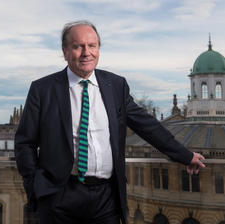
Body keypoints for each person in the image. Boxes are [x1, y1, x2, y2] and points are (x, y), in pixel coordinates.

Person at [14, 20, 205, 224]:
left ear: (98, 49)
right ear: (65, 51)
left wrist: (184, 155)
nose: (86, 52)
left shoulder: (115, 85)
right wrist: (34, 185)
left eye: (92, 45)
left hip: (106, 197)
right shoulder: (43, 89)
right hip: (60, 196)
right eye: (78, 46)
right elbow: (25, 143)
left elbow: (147, 126)